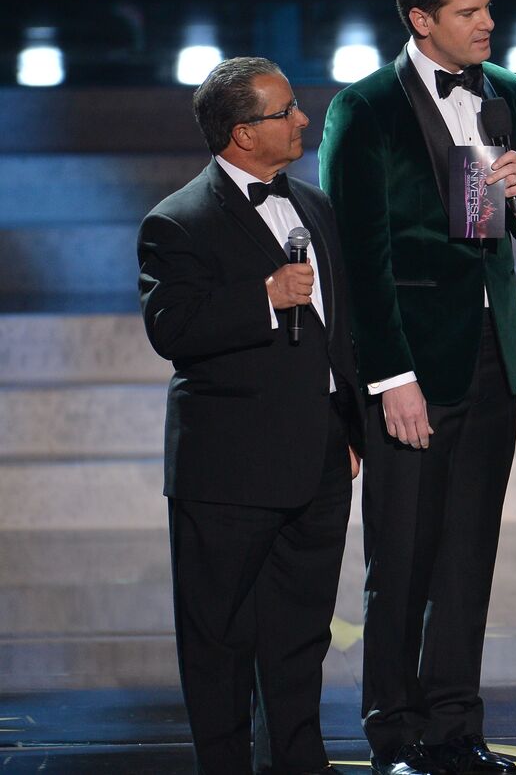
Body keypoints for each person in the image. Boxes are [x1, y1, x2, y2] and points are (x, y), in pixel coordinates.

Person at [319, 0, 516, 775]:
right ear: (422, 19)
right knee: (402, 558)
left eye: (488, 5)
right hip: (410, 370)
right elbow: (359, 259)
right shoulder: (365, 109)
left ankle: (457, 729)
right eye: (469, 11)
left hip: (492, 357)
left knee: (467, 554)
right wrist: (391, 379)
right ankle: (395, 735)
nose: (488, 22)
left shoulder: (508, 92)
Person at [138, 56, 365, 775]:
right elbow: (172, 330)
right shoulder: (178, 220)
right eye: (285, 111)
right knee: (219, 638)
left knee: (300, 634)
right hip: (228, 468)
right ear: (242, 133)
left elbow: (340, 328)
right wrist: (264, 297)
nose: (303, 119)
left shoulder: (316, 206)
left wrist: (348, 427)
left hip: (318, 458)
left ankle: (298, 763)